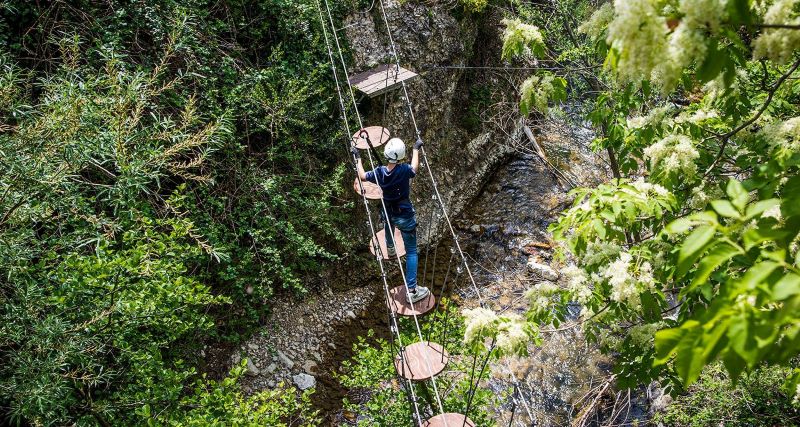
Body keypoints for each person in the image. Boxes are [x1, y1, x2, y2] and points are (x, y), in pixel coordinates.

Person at [352, 137, 431, 304]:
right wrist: (416, 149)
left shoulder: (380, 172)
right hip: (405, 214)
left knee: (389, 224)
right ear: (401, 156)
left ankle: (390, 247)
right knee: (411, 252)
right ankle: (412, 291)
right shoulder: (404, 171)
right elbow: (415, 168)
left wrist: (358, 157)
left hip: (388, 211)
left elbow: (362, 176)